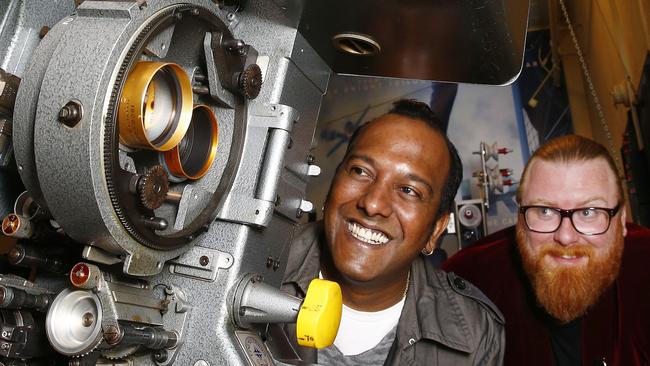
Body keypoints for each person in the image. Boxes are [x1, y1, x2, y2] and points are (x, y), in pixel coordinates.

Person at [281, 99, 505, 365]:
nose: (373, 203)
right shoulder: (250, 263)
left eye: (409, 190)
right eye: (360, 171)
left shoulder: (477, 334)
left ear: (435, 230)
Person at [443, 135, 650, 366]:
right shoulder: (465, 287)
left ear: (621, 221)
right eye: (544, 211)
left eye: (589, 212)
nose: (565, 236)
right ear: (520, 219)